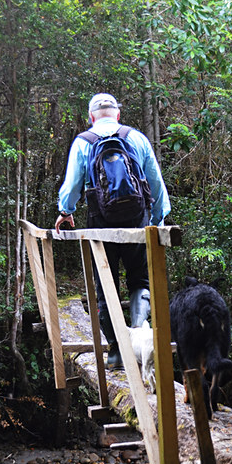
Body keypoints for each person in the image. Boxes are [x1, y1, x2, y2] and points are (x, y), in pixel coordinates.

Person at [55, 93, 170, 368]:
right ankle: (138, 337)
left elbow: (72, 185)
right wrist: (158, 220)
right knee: (139, 281)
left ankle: (117, 351)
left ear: (91, 116)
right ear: (117, 114)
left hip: (100, 223)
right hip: (137, 221)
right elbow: (155, 181)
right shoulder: (136, 138)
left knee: (106, 289)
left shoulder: (84, 142)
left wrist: (65, 211)